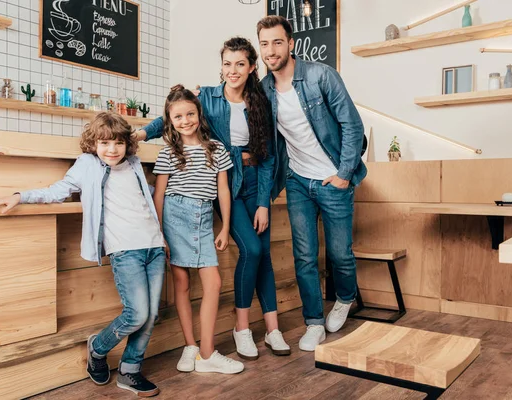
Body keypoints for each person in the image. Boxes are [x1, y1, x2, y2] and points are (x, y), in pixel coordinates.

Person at [0, 112, 165, 397]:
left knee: (152, 314)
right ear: (93, 143)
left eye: (118, 142)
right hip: (124, 250)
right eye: (105, 143)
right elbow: (58, 190)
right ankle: (98, 347)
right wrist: (20, 195)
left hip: (153, 246)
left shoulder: (132, 164)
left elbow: (148, 197)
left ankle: (130, 371)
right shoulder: (87, 165)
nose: (112, 149)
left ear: (126, 145)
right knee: (137, 314)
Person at [134, 37, 290, 361]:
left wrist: (264, 201)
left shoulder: (260, 102)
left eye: (240, 64)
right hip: (224, 183)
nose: (233, 70)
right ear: (221, 66)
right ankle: (241, 327)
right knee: (253, 248)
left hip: (254, 180)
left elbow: (269, 155)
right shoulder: (205, 96)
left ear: (251, 67)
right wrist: (140, 134)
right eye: (227, 63)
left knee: (264, 256)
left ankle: (273, 328)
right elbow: (173, 114)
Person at [256, 15, 367, 351]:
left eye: (277, 42)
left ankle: (345, 298)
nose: (271, 50)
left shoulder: (321, 76)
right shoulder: (263, 89)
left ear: (291, 44)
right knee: (303, 256)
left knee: (339, 254)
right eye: (264, 44)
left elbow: (353, 125)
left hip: (333, 179)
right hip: (299, 182)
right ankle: (314, 322)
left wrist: (344, 175)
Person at [152, 84, 245, 374]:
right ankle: (191, 346)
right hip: (174, 216)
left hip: (204, 217)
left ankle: (207, 354)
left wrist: (226, 226)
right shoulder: (168, 153)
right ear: (170, 121)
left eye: (190, 114)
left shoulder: (216, 149)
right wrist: (160, 235)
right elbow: (159, 195)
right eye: (178, 117)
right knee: (181, 284)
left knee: (213, 283)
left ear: (198, 114)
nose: (185, 121)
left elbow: (224, 192)